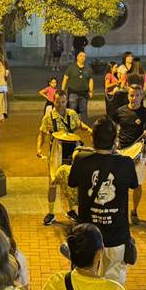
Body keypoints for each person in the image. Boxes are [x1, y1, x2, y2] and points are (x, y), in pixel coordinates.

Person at [68, 117, 138, 285]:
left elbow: (72, 182)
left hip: (87, 239)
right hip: (116, 238)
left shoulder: (81, 160)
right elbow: (134, 184)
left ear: (92, 138)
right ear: (115, 140)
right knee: (114, 287)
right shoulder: (126, 163)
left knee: (84, 285)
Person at [37, 89, 90, 225]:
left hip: (72, 151)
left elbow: (79, 124)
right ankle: (51, 213)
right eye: (57, 102)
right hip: (56, 151)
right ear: (53, 101)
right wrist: (39, 148)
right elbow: (42, 133)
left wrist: (89, 129)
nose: (60, 105)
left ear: (66, 101)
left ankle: (71, 210)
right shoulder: (48, 117)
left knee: (71, 181)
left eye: (63, 102)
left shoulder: (72, 114)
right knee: (53, 181)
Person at [112, 84, 146, 224]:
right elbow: (112, 126)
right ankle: (120, 210)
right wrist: (113, 140)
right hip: (122, 151)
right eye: (132, 95)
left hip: (139, 152)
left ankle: (134, 211)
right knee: (119, 183)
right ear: (128, 96)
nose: (134, 98)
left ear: (142, 96)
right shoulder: (120, 112)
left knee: (137, 183)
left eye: (137, 95)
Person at [62, 50, 93, 124]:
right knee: (72, 109)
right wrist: (62, 91)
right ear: (77, 57)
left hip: (84, 93)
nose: (82, 58)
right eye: (81, 56)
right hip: (73, 92)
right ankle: (71, 124)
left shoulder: (88, 69)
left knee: (83, 110)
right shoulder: (71, 67)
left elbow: (91, 80)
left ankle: (84, 124)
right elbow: (65, 78)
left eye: (84, 56)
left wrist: (91, 91)